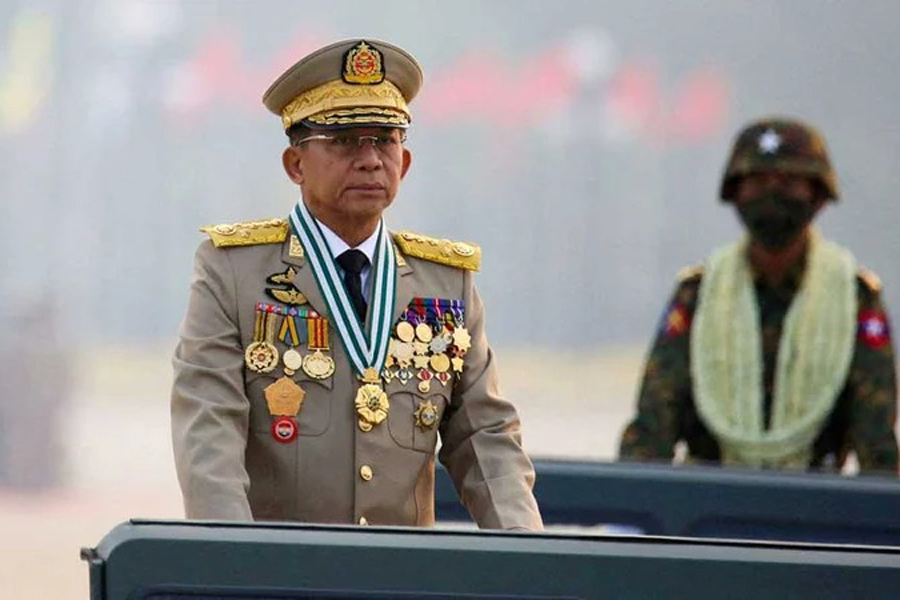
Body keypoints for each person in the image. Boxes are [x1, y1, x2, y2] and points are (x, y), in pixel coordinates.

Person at [171, 39, 543, 529]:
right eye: (345, 140)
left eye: (385, 140)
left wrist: (524, 555)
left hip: (402, 576)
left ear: (404, 164)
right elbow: (209, 433)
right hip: (283, 575)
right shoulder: (235, 272)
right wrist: (238, 563)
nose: (370, 160)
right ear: (296, 165)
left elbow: (484, 437)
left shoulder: (446, 281)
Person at [619, 117, 899, 474]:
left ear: (817, 195)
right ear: (736, 193)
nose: (772, 194)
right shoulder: (700, 295)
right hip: (704, 510)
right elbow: (654, 424)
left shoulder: (853, 299)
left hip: (816, 510)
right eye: (758, 182)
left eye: (788, 183)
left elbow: (876, 440)